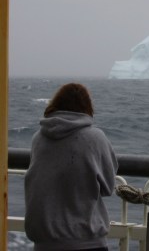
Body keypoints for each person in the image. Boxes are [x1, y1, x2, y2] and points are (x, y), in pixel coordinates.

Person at [24, 83, 119, 251]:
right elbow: (108, 186)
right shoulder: (95, 137)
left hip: (44, 244)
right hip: (86, 243)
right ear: (87, 108)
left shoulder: (38, 138)